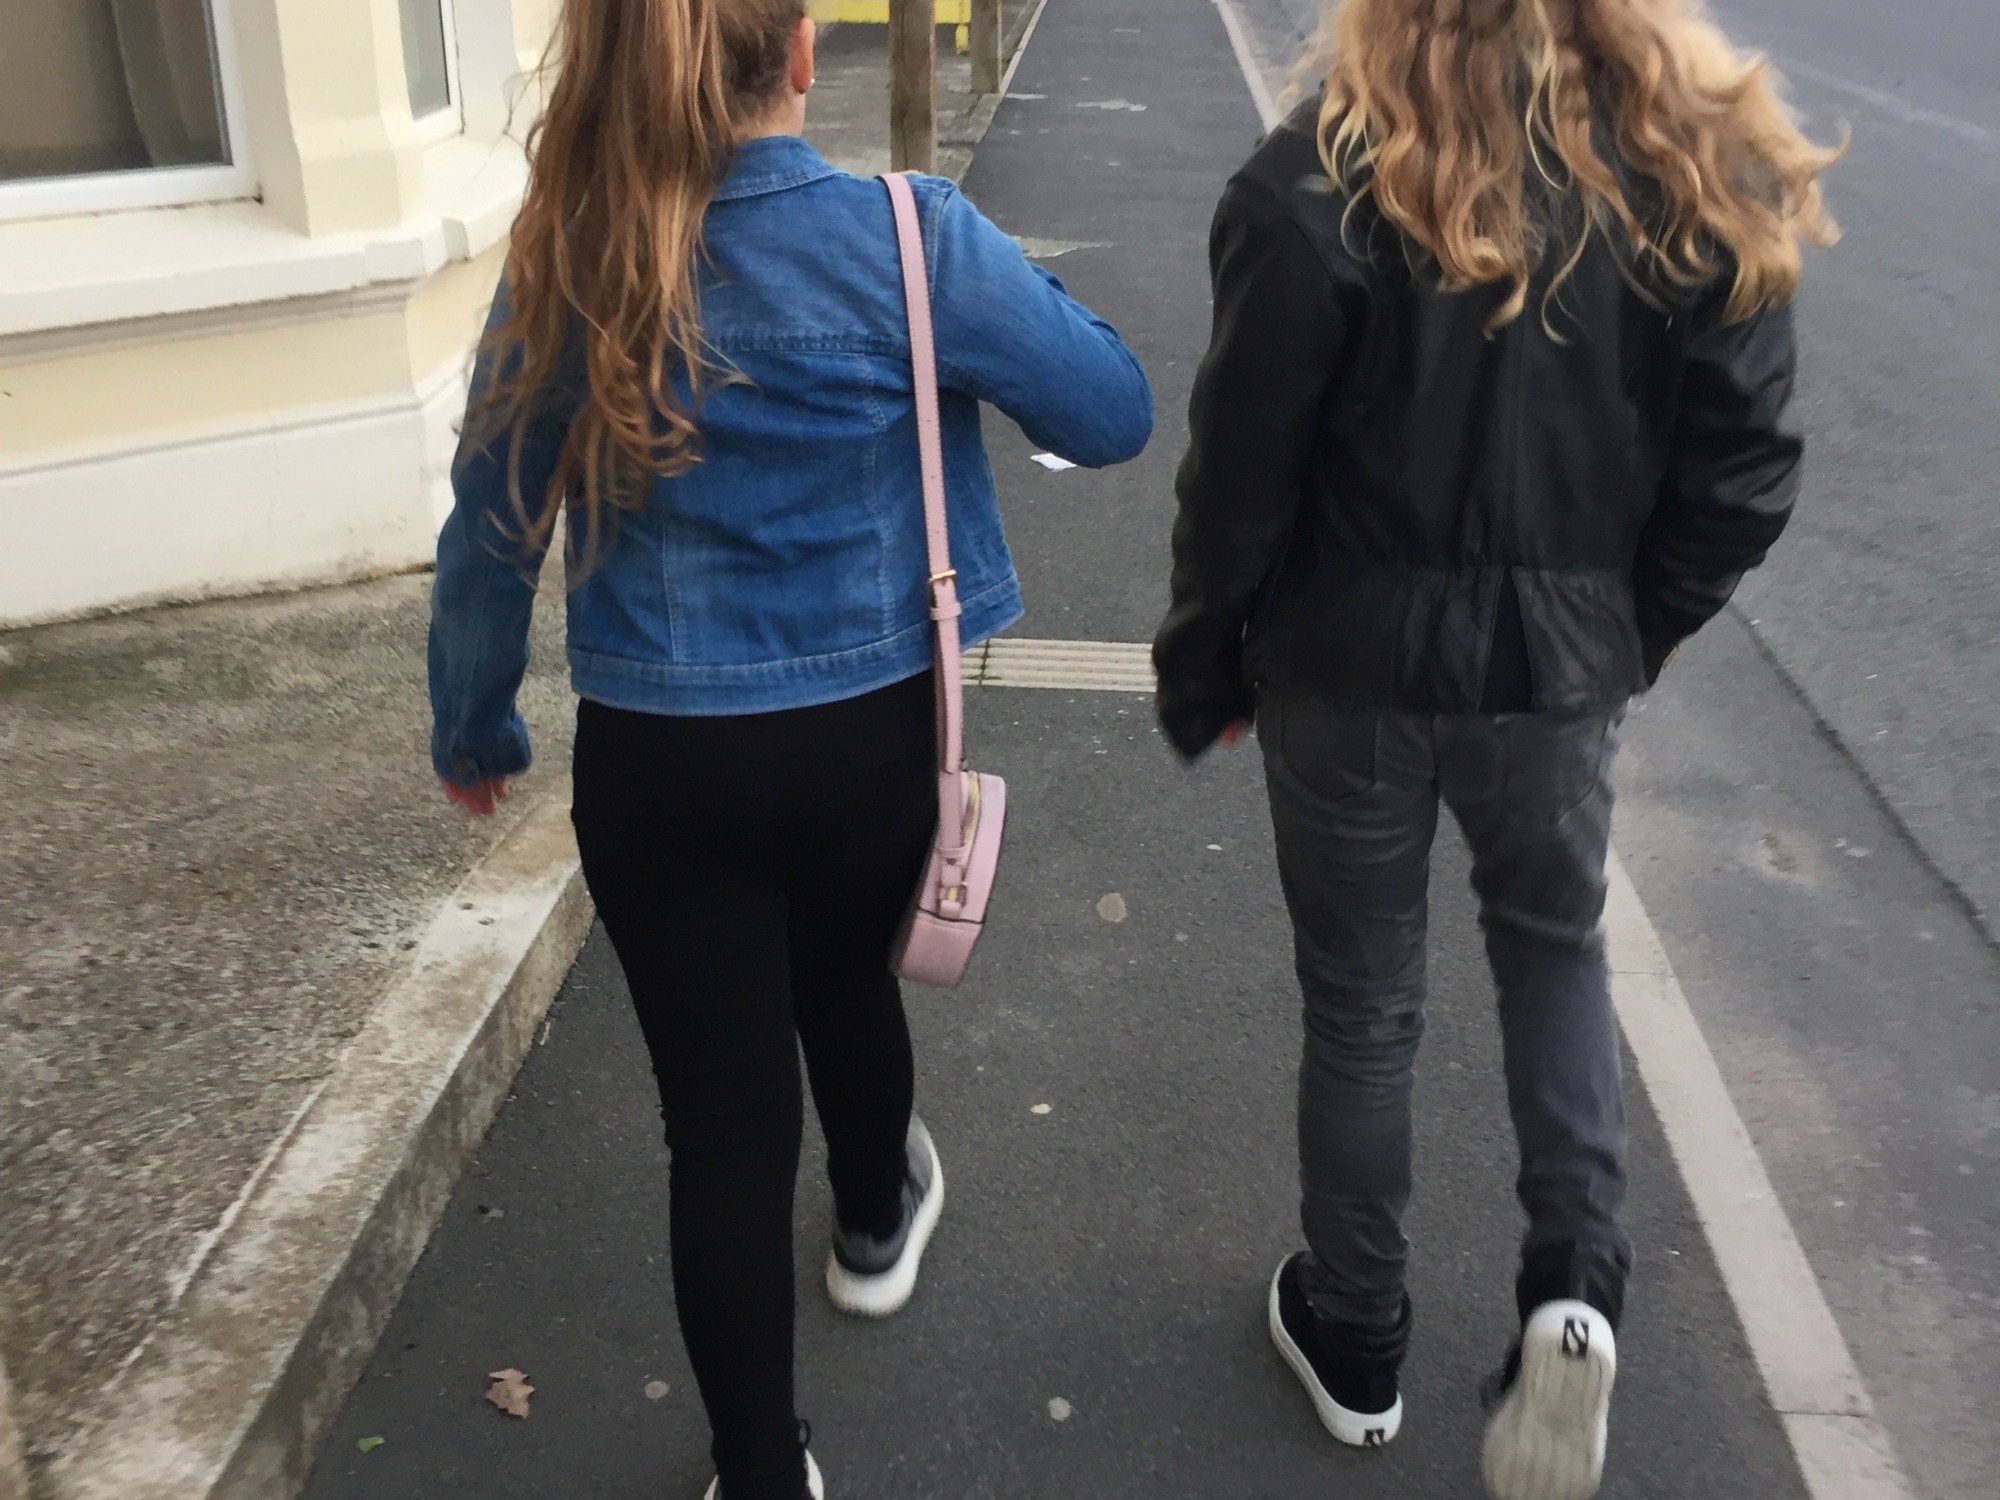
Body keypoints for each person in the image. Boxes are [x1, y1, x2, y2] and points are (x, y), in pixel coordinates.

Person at [427, 2, 1153, 1495]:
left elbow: (493, 520)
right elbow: (1112, 411)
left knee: (722, 1128)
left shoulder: (574, 254)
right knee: (842, 975)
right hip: (869, 742)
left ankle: (761, 1472)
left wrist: (476, 719)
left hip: (660, 761)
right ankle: (877, 1219)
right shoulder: (911, 235)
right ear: (804, 55)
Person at [1154, 2, 1837, 1496]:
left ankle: (1356, 1334)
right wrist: (1631, 629)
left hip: (1346, 667)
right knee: (1554, 956)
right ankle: (1574, 1286)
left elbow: (1240, 477)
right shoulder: (1690, 168)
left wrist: (1203, 660)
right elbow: (1746, 469)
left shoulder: (1311, 181)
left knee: (1364, 1004)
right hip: (1558, 675)